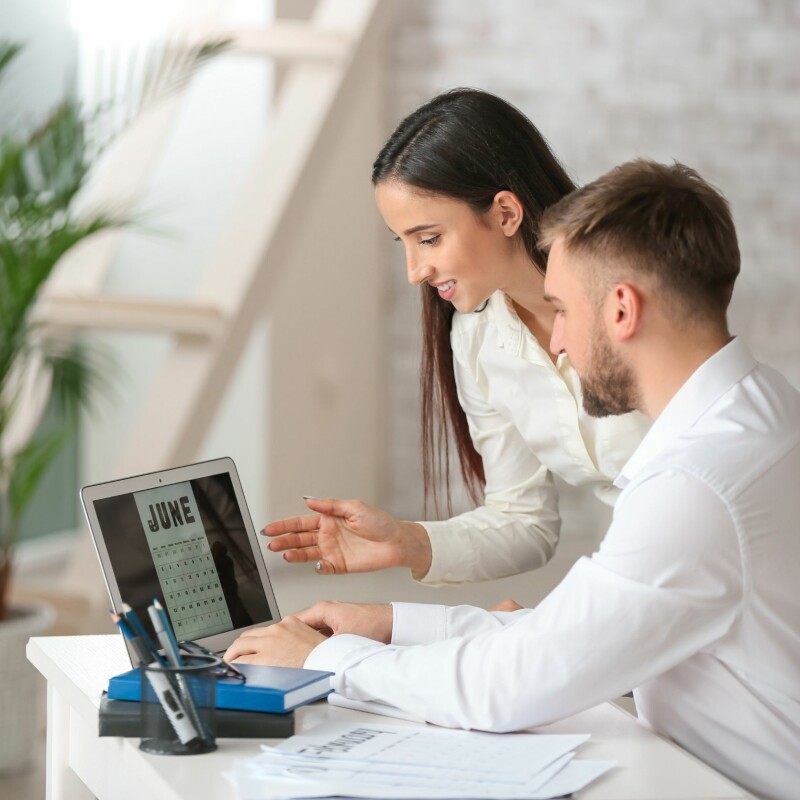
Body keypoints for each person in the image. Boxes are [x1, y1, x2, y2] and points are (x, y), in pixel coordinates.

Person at [226, 159, 800, 800]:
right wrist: (391, 623)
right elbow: (580, 632)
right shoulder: (763, 410)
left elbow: (511, 686)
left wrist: (321, 661)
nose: (554, 342)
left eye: (559, 309)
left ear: (621, 309)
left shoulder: (694, 487)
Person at [266, 88, 650, 585]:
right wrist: (404, 542)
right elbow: (522, 520)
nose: (413, 271)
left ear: (506, 214)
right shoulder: (478, 338)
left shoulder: (631, 294)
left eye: (428, 238)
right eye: (403, 242)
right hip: (644, 568)